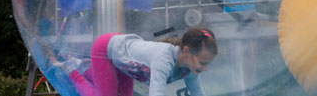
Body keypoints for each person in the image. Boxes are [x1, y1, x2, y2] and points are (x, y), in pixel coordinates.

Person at [68, 27, 218, 96]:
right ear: (186, 51)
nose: (205, 69)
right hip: (106, 48)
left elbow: (198, 92)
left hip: (126, 59)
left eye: (208, 64)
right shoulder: (163, 61)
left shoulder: (189, 68)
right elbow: (156, 93)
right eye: (202, 63)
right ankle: (73, 70)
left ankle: (87, 67)